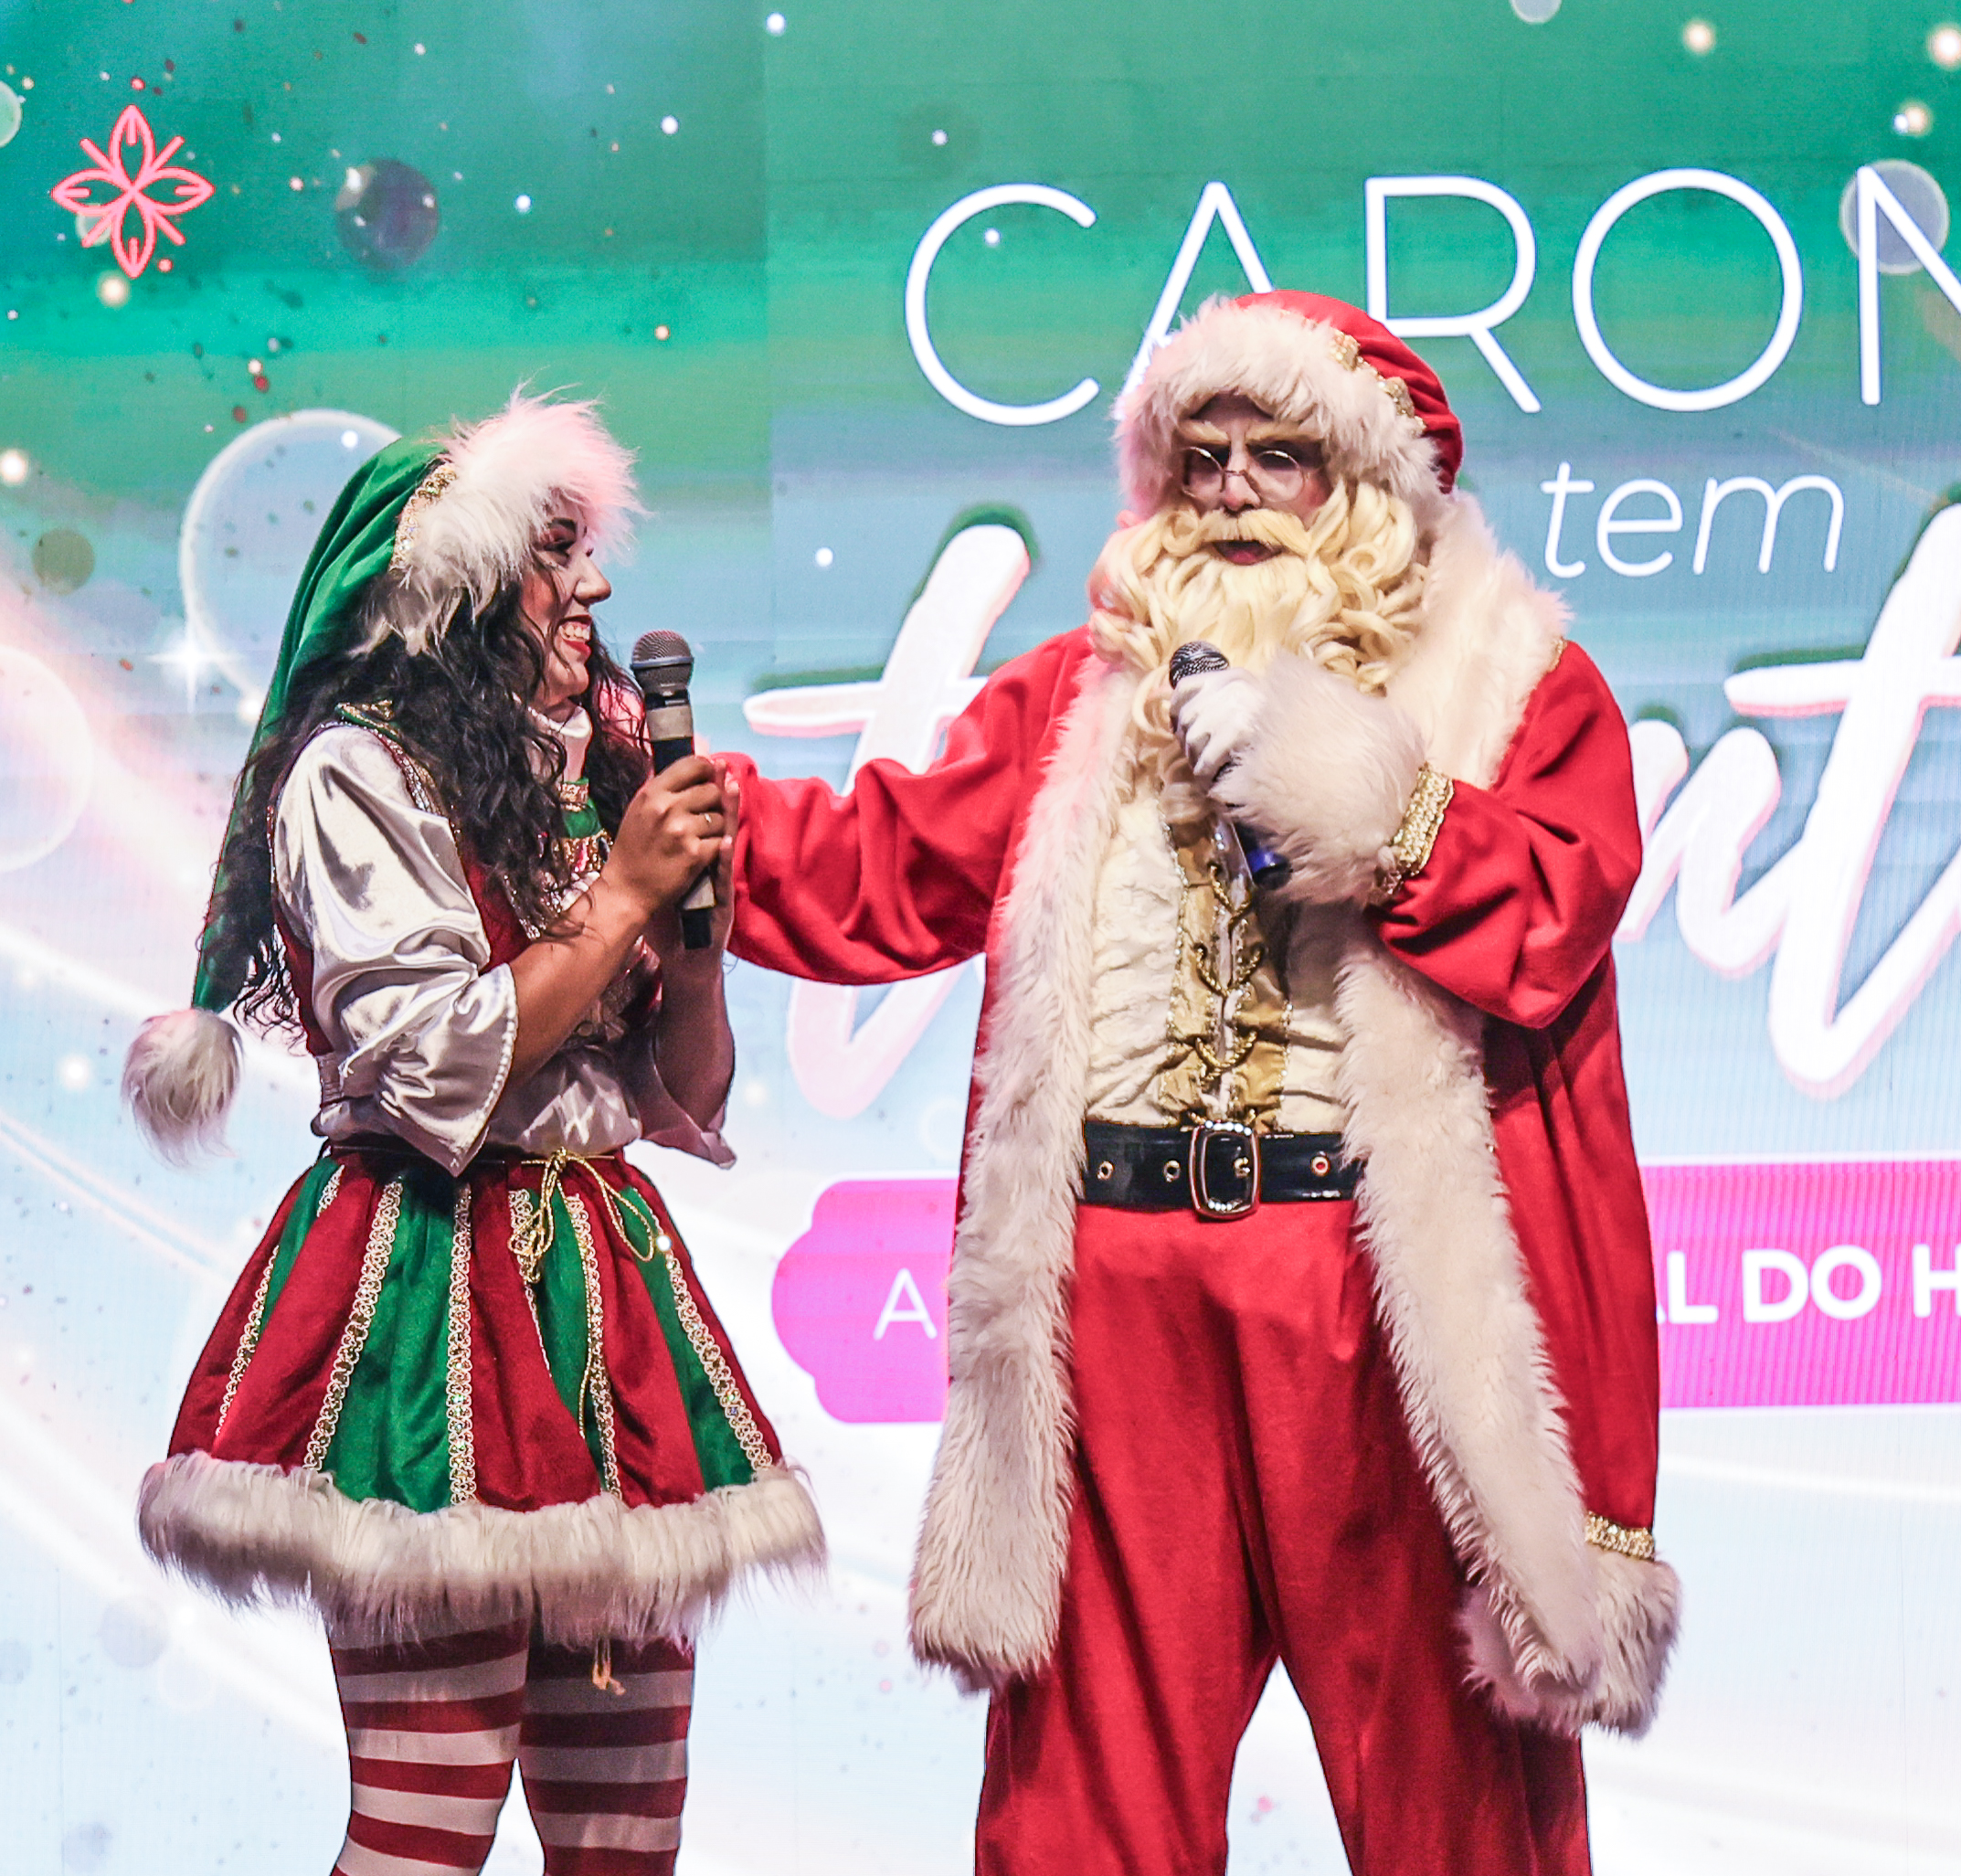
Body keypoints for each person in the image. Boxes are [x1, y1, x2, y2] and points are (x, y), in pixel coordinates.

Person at [719, 291, 1676, 1871]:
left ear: (1368, 482)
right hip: (1117, 1286)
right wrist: (678, 816)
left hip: (1364, 1290)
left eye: (1276, 455)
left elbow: (1557, 903)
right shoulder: (1079, 696)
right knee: (1088, 1791)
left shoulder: (1512, 686)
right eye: (1200, 457)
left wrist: (1343, 785)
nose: (1230, 492)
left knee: (1447, 1786)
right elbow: (883, 866)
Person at [122, 393, 823, 1876]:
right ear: (458, 580)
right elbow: (435, 1063)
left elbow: (679, 1096)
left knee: (628, 1838)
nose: (598, 585)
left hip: (601, 1290)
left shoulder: (590, 770)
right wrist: (622, 899)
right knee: (423, 1834)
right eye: (556, 551)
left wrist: (691, 949)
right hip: (428, 1284)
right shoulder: (357, 772)